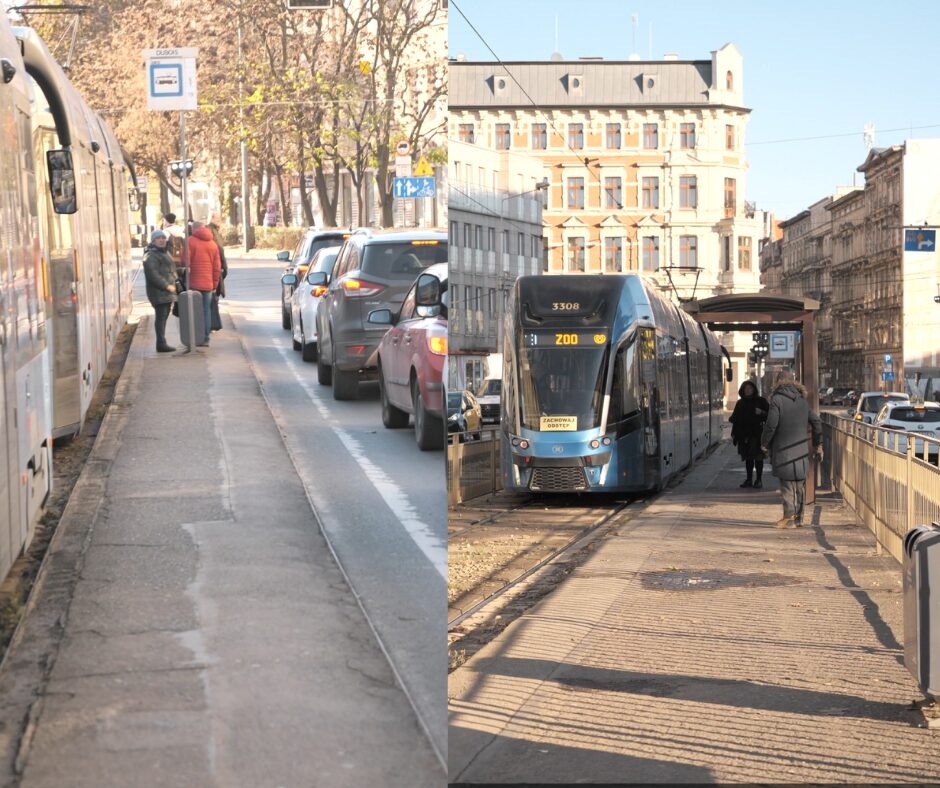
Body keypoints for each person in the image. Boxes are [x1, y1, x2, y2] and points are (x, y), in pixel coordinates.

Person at [760, 368, 823, 529]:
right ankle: (799, 518)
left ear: (778, 382)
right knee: (799, 485)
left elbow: (771, 424)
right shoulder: (802, 400)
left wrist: (765, 443)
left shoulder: (777, 399)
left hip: (784, 449)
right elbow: (816, 421)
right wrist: (818, 443)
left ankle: (788, 518)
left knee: (787, 484)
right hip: (801, 449)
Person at [187, 221, 222, 347]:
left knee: (193, 311)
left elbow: (185, 262)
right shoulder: (213, 244)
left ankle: (195, 338)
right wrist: (214, 284)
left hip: (193, 283)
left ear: (193, 229)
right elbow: (217, 267)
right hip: (208, 284)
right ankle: (205, 338)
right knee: (206, 311)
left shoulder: (190, 241)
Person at [142, 230, 177, 352]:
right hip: (159, 292)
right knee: (161, 318)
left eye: (163, 237)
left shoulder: (163, 252)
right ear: (153, 241)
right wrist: (167, 286)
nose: (162, 240)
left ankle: (161, 342)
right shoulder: (151, 256)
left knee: (163, 317)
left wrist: (182, 271)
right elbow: (153, 275)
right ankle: (161, 343)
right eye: (158, 238)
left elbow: (169, 269)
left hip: (166, 293)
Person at [730, 381, 770, 488]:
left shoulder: (761, 401)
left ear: (754, 389)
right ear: (742, 390)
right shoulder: (740, 403)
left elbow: (770, 415)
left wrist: (761, 412)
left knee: (758, 457)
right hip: (744, 435)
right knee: (748, 458)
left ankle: (759, 480)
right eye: (746, 388)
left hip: (757, 434)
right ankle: (749, 479)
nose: (748, 390)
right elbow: (734, 418)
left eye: (750, 388)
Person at [207, 212, 228, 331]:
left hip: (216, 267)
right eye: (217, 219)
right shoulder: (212, 230)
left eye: (220, 219)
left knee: (213, 296)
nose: (219, 221)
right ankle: (211, 324)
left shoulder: (214, 230)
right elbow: (219, 250)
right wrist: (224, 267)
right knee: (213, 295)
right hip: (215, 268)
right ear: (212, 219)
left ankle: (211, 324)